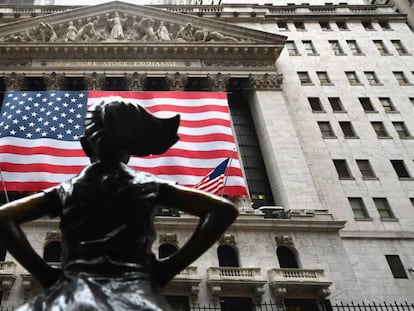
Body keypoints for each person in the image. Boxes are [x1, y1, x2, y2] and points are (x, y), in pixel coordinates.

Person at [0, 101, 238, 310]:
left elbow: (4, 216)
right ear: (131, 146)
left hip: (71, 293)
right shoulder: (148, 185)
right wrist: (168, 268)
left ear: (85, 146)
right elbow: (223, 210)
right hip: (135, 293)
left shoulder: (68, 189)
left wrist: (46, 274)